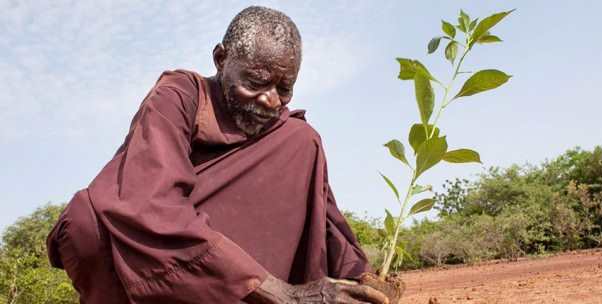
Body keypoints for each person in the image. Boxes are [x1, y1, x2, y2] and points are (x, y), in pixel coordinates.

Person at [47, 6, 389, 304]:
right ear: (221, 59)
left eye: (284, 89)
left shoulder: (289, 136)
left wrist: (361, 276)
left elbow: (325, 215)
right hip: (130, 249)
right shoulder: (178, 97)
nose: (270, 100)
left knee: (301, 140)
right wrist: (282, 294)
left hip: (213, 257)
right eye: (256, 82)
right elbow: (151, 204)